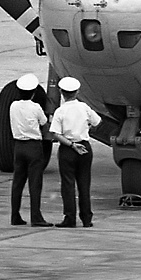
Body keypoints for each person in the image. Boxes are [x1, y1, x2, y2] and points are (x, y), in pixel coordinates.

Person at [48, 76, 101, 228]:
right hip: (84, 147)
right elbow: (97, 122)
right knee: (84, 184)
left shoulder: (60, 111)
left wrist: (71, 145)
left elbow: (56, 133)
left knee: (68, 184)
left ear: (61, 92)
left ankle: (69, 218)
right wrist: (86, 130)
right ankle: (86, 218)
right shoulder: (84, 107)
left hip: (68, 149)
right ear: (77, 92)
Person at [8, 74, 52, 227]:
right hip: (33, 147)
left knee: (17, 182)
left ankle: (15, 215)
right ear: (33, 93)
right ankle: (36, 217)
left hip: (18, 146)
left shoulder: (13, 106)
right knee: (35, 183)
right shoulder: (35, 107)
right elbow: (44, 122)